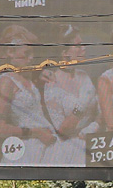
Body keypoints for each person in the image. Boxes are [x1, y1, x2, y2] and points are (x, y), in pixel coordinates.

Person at [0, 24, 56, 165]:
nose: (31, 59)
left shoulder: (28, 77)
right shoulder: (6, 82)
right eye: (26, 54)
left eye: (32, 54)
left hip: (45, 145)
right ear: (10, 53)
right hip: (26, 150)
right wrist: (35, 132)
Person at [40, 25, 100, 165]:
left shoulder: (84, 76)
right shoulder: (51, 83)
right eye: (78, 45)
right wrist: (82, 104)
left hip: (92, 146)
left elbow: (100, 109)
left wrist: (94, 126)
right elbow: (62, 131)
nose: (84, 48)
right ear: (65, 53)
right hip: (67, 151)